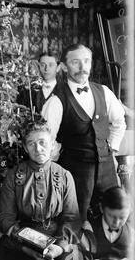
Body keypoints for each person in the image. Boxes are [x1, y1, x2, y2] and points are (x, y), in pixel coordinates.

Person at [41, 44, 126, 224]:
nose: (82, 67)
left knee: (115, 218)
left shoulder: (104, 92)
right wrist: (60, 160)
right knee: (74, 223)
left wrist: (111, 148)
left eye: (86, 61)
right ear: (64, 66)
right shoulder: (56, 100)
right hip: (75, 173)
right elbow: (45, 140)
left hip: (108, 170)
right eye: (75, 62)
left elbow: (119, 122)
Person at [0, 120, 81, 260]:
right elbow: (6, 218)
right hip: (22, 237)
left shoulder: (65, 176)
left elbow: (72, 218)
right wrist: (26, 247)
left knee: (74, 257)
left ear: (52, 144)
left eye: (43, 142)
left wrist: (59, 247)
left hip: (57, 237)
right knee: (5, 248)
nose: (38, 149)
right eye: (31, 144)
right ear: (26, 148)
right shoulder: (14, 175)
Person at [89, 186, 134, 260]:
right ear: (102, 208)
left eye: (122, 218)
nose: (116, 222)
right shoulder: (89, 229)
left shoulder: (131, 234)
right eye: (111, 216)